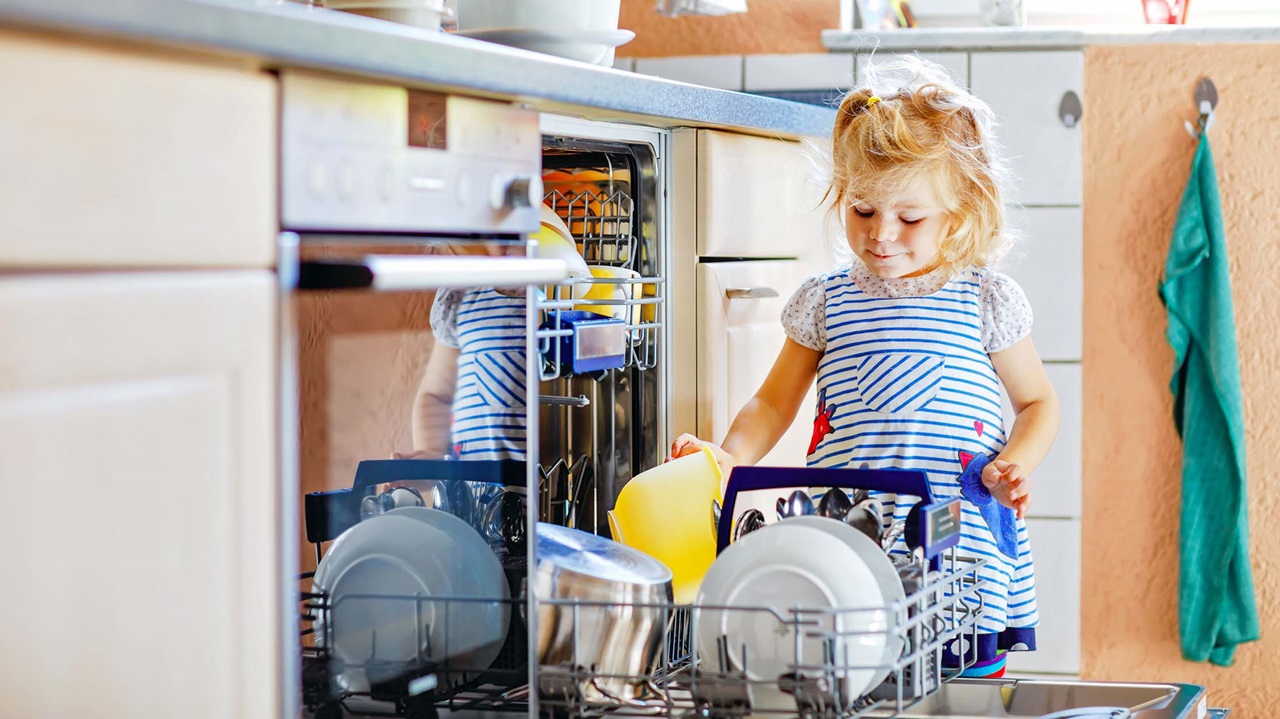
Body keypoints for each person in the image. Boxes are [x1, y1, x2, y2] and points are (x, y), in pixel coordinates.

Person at [668, 58, 1060, 678]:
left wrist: (1016, 465)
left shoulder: (983, 298)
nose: (881, 235)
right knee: (851, 677)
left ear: (959, 211)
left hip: (959, 547)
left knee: (958, 686)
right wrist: (725, 456)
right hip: (850, 542)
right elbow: (773, 403)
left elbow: (1039, 403)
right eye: (862, 211)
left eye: (909, 218)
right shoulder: (825, 300)